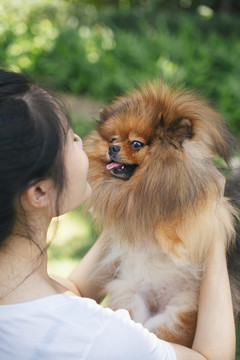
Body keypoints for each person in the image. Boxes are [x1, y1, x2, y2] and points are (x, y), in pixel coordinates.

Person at [0, 69, 236, 360]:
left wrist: (133, 214)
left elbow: (74, 289)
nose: (82, 140)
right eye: (69, 139)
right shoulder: (99, 339)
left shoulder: (20, 297)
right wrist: (214, 228)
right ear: (38, 192)